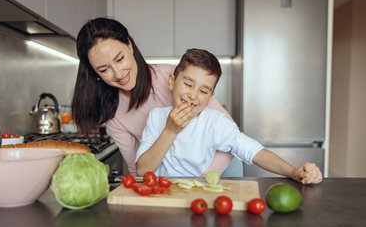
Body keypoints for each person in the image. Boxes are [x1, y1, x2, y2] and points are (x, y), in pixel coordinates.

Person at [71, 17, 233, 175]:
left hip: (218, 168)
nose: (119, 74)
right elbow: (138, 170)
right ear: (95, 73)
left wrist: (202, 179)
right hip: (174, 181)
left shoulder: (173, 78)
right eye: (104, 69)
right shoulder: (113, 115)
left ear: (129, 45)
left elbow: (232, 138)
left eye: (120, 59)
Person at [135, 48, 322, 184]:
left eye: (204, 90)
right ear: (172, 82)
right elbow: (143, 170)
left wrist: (293, 171)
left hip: (195, 196)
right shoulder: (156, 117)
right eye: (188, 83)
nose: (193, 95)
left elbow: (254, 151)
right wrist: (170, 130)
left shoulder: (215, 123)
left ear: (210, 97)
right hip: (160, 195)